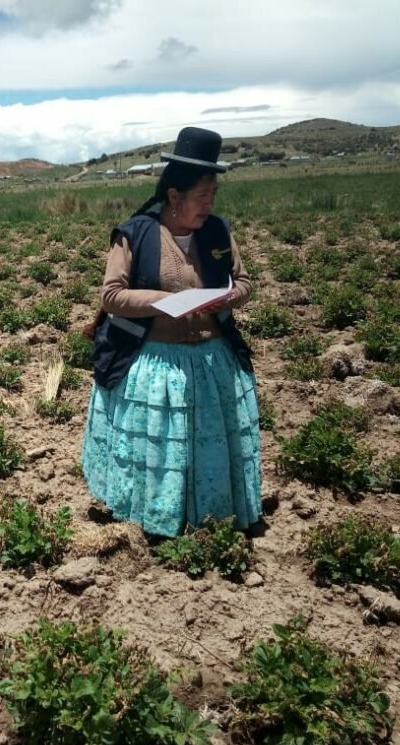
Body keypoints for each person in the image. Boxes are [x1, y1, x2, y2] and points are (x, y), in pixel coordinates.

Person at [81, 126, 262, 539]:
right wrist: (163, 301)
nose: (209, 205)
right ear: (175, 197)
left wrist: (224, 298)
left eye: (213, 196)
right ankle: (158, 520)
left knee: (206, 447)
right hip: (154, 361)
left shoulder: (217, 231)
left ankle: (212, 517)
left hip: (212, 359)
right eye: (202, 197)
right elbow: (111, 296)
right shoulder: (136, 233)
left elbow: (245, 282)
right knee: (162, 449)